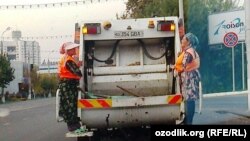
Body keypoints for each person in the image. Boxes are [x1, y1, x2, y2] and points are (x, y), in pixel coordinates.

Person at [172, 32, 201, 125]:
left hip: (190, 77)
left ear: (188, 42)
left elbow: (183, 66)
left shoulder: (189, 52)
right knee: (189, 100)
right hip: (190, 76)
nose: (182, 40)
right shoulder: (189, 51)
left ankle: (189, 122)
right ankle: (188, 120)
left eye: (184, 39)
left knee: (190, 100)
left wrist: (175, 68)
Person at [58, 42, 84, 133]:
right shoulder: (69, 60)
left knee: (68, 104)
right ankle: (72, 126)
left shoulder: (65, 59)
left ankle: (74, 124)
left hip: (67, 84)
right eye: (73, 49)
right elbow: (78, 73)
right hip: (69, 85)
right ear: (69, 50)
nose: (75, 50)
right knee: (71, 105)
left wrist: (77, 64)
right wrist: (78, 65)